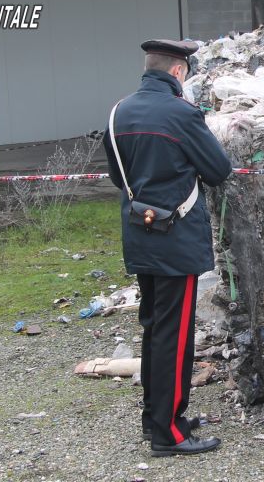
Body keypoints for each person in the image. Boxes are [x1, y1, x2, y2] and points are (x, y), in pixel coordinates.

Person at [104, 38, 232, 456]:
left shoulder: (118, 112)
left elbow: (116, 175)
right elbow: (218, 170)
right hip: (176, 240)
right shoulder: (181, 113)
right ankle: (169, 434)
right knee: (174, 338)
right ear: (179, 72)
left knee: (154, 329)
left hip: (141, 236)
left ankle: (156, 418)